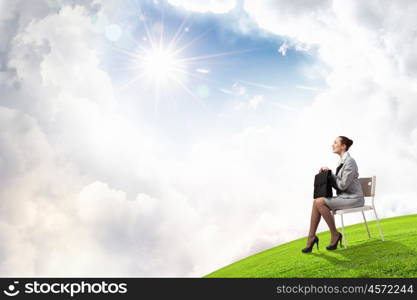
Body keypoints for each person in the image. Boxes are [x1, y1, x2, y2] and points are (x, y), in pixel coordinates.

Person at [301, 136, 364, 253]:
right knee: (316, 202)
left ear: (343, 146)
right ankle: (311, 237)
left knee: (319, 202)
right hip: (344, 197)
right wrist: (328, 174)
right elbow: (340, 185)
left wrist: (330, 175)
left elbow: (342, 185)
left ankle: (334, 234)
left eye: (335, 143)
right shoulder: (341, 162)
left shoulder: (350, 162)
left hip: (354, 198)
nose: (332, 145)